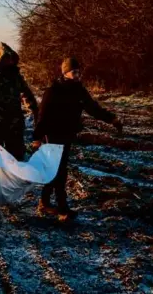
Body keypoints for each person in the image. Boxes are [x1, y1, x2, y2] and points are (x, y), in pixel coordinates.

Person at [32, 57, 123, 223]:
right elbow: (42, 116)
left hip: (67, 135)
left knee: (56, 170)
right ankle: (62, 209)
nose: (77, 75)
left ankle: (44, 203)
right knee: (59, 172)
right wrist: (37, 137)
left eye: (78, 72)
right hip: (52, 135)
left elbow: (93, 108)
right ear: (65, 73)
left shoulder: (79, 90)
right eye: (74, 72)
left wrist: (111, 119)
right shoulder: (53, 90)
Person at [0, 42, 38, 161]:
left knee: (17, 156)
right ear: (0, 60)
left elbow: (26, 93)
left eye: (11, 59)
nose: (9, 62)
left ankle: (17, 178)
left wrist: (34, 110)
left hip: (15, 122)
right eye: (6, 59)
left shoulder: (15, 75)